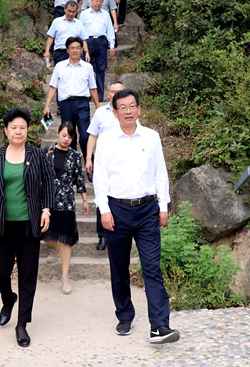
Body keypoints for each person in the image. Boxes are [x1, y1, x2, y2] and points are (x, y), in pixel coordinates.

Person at [92, 89, 180, 344]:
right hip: (116, 210)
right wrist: (104, 210)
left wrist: (163, 206)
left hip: (147, 209)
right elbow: (100, 177)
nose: (128, 111)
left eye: (132, 106)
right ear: (115, 112)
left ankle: (160, 326)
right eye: (123, 107)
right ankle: (124, 315)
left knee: (152, 267)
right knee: (119, 267)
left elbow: (160, 172)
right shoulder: (106, 140)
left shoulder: (151, 137)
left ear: (139, 109)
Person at [0, 107, 55, 348]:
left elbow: (49, 185)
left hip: (28, 224)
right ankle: (8, 298)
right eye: (13, 127)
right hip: (2, 224)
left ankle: (22, 324)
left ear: (27, 130)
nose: (18, 131)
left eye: (22, 127)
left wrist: (46, 210)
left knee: (27, 274)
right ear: (6, 130)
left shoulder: (37, 155)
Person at [42, 122, 89, 295]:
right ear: (57, 133)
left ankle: (65, 278)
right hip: (47, 200)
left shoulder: (75, 156)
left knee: (66, 240)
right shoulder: (46, 152)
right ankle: (56, 247)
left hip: (66, 201)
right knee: (43, 233)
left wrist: (84, 200)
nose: (66, 139)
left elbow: (79, 179)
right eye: (63, 135)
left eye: (69, 137)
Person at [84, 81, 125, 251]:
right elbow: (92, 136)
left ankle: (120, 231)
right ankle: (102, 235)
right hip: (103, 161)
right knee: (101, 195)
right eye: (113, 91)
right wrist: (88, 158)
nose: (115, 94)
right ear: (108, 94)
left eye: (119, 91)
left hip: (123, 161)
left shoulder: (128, 112)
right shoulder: (100, 112)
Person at [43, 37, 100, 157]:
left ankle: (89, 160)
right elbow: (53, 87)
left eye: (78, 48)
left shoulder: (87, 67)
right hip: (65, 105)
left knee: (85, 135)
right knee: (69, 136)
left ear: (82, 49)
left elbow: (93, 88)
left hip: (82, 104)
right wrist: (47, 105)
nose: (75, 50)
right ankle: (73, 163)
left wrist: (98, 107)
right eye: (72, 48)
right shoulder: (60, 66)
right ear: (67, 50)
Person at [80, 0, 116, 102]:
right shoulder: (84, 14)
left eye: (100, 1)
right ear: (91, 1)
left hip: (101, 42)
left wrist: (112, 45)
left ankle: (99, 96)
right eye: (96, 1)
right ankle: (86, 95)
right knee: (87, 68)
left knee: (101, 69)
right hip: (88, 42)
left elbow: (110, 30)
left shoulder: (105, 14)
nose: (98, 3)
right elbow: (80, 30)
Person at [43, 1, 89, 66]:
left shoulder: (79, 23)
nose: (71, 14)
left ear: (76, 12)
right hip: (60, 52)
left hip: (75, 53)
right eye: (69, 11)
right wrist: (47, 51)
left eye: (73, 12)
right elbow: (51, 37)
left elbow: (83, 39)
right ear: (65, 9)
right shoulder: (57, 22)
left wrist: (86, 52)